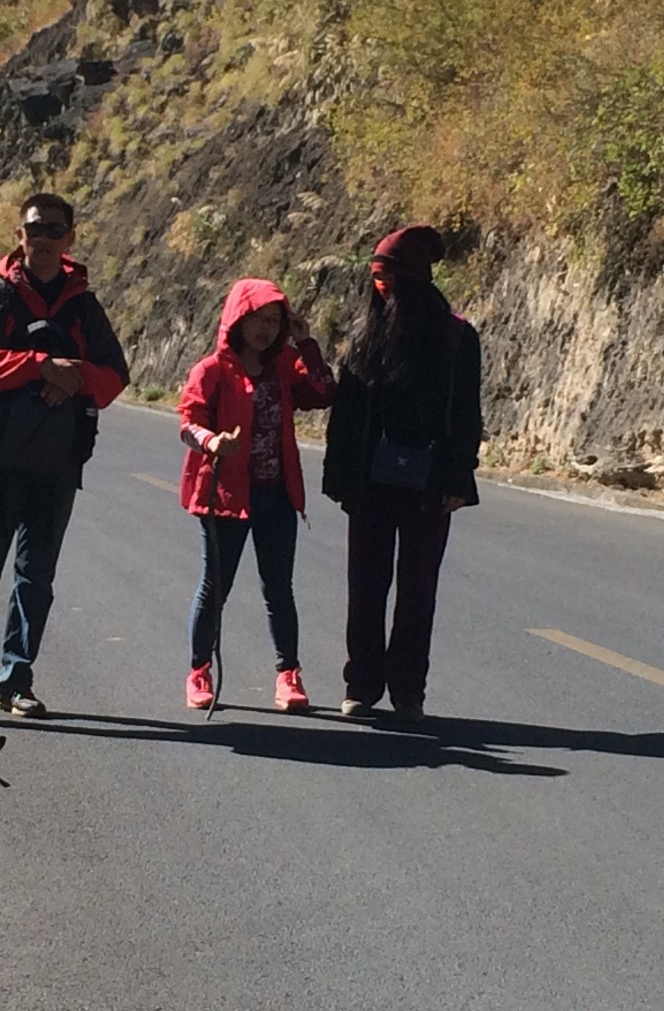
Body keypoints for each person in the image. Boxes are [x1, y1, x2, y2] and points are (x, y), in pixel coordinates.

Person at [0, 192, 130, 716]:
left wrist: (71, 376)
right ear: (21, 235)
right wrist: (39, 367)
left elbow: (115, 376)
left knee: (36, 578)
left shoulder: (83, 304)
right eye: (36, 229)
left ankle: (15, 680)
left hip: (57, 464)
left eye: (56, 230)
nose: (45, 239)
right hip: (1, 458)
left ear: (70, 238)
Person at [320, 226, 484, 723]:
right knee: (365, 586)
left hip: (430, 483)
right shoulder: (362, 334)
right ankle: (362, 685)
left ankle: (408, 690)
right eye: (375, 278)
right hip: (370, 481)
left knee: (418, 590)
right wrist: (340, 476)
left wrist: (459, 480)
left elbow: (466, 413)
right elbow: (345, 415)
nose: (380, 288)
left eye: (388, 278)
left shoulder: (456, 337)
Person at [176, 278, 335, 711]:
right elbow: (188, 423)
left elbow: (322, 392)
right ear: (238, 320)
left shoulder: (285, 364)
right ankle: (199, 670)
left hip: (276, 494)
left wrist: (307, 345)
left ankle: (289, 675)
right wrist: (213, 443)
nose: (265, 330)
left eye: (273, 321)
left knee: (279, 589)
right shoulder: (211, 370)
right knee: (215, 588)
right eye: (257, 320)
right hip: (225, 495)